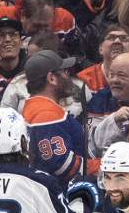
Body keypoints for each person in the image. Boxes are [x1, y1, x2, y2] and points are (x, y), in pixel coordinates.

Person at [21, 49, 91, 182]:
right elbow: (64, 166)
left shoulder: (32, 108)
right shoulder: (47, 115)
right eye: (64, 72)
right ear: (51, 78)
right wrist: (104, 166)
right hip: (59, 195)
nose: (68, 76)